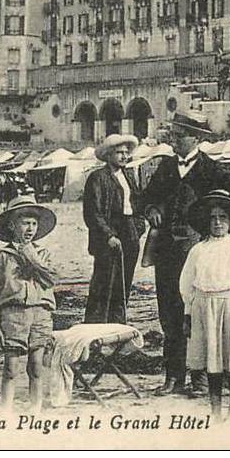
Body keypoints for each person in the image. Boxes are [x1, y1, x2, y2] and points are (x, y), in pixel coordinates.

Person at [142, 124, 230, 396]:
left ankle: (201, 379)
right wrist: (151, 209)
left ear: (196, 138)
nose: (173, 139)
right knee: (169, 313)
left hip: (199, 253)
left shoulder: (212, 169)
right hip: (166, 251)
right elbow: (145, 197)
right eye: (172, 135)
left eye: (179, 135)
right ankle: (173, 377)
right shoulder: (165, 167)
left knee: (199, 314)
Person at [179, 190, 230, 423]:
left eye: (222, 218)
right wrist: (188, 312)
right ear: (207, 221)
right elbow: (187, 284)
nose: (217, 222)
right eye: (213, 218)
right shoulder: (198, 250)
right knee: (212, 363)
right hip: (204, 307)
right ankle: (215, 411)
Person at [0, 196, 58, 411]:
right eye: (25, 223)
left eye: (34, 224)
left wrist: (31, 255)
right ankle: (6, 411)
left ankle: (34, 411)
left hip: (40, 314)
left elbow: (50, 278)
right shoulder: (2, 258)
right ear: (12, 225)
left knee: (36, 366)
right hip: (13, 316)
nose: (30, 228)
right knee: (11, 367)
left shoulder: (43, 254)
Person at [83, 134, 147, 325]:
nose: (123, 156)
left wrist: (138, 227)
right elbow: (92, 212)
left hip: (129, 231)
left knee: (124, 281)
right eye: (119, 153)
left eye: (126, 153)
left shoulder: (129, 175)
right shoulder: (97, 177)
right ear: (108, 155)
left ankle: (118, 324)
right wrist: (108, 235)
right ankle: (97, 325)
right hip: (108, 233)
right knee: (104, 282)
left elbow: (137, 202)